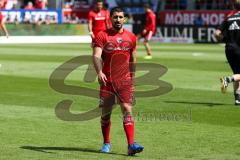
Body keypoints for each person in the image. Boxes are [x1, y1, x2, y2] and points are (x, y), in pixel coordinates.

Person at [92, 7, 144, 155]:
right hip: (107, 81)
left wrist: (132, 78)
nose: (118, 20)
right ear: (110, 18)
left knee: (127, 110)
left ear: (125, 19)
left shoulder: (131, 37)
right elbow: (96, 56)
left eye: (121, 17)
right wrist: (99, 72)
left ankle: (131, 145)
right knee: (106, 114)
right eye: (115, 17)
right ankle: (106, 143)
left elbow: (133, 59)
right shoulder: (102, 35)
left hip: (125, 81)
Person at [215, 0, 240, 105]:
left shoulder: (228, 19)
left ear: (234, 7)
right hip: (239, 48)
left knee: (237, 74)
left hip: (229, 49)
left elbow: (216, 34)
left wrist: (225, 39)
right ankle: (227, 79)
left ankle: (237, 99)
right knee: (237, 75)